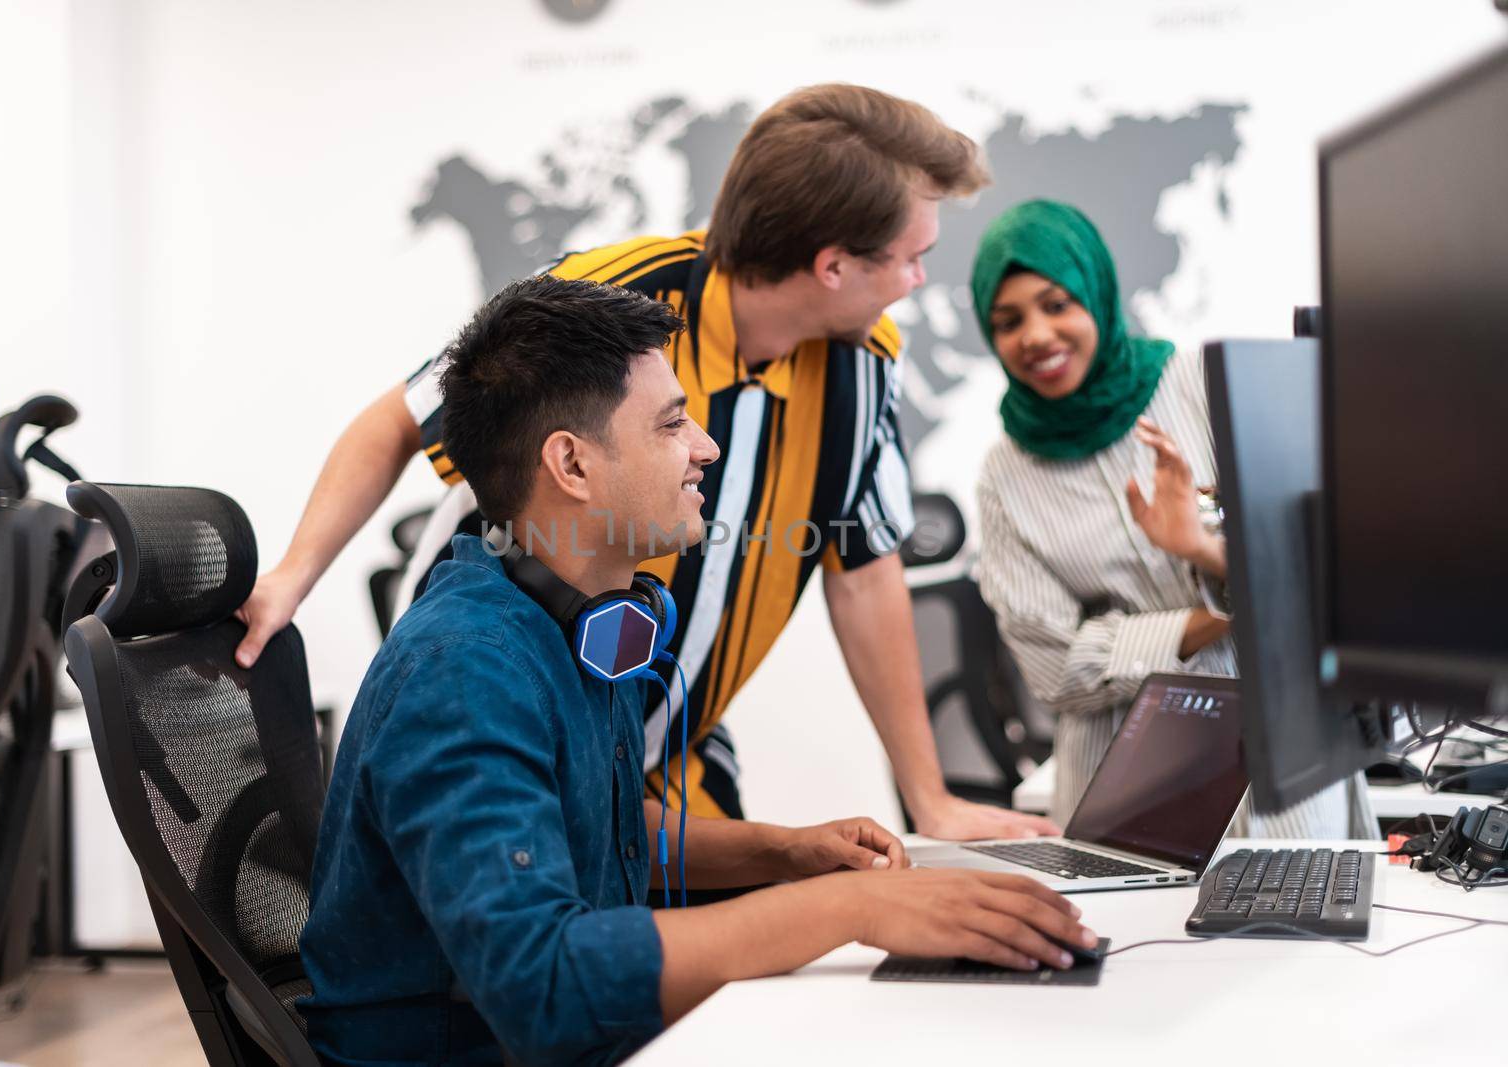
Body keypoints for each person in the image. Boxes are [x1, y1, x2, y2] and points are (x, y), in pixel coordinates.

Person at [297, 276, 1098, 1067]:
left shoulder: (570, 615)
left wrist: (780, 852)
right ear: (572, 464)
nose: (706, 447)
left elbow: (590, 819)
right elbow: (542, 986)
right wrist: (854, 906)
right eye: (673, 423)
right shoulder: (466, 672)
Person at [237, 83, 1060, 841]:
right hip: (518, 739)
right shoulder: (609, 301)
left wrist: (932, 800)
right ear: (833, 264)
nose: (919, 280)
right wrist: (291, 577)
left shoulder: (865, 359)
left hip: (670, 756)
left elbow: (865, 568)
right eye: (912, 257)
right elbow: (400, 419)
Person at [968, 199, 1374, 834]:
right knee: (1125, 933)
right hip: (1125, 784)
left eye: (1057, 304)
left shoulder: (1203, 386)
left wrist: (1206, 554)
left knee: (1301, 924)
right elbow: (1056, 672)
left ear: (1096, 295)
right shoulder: (1005, 474)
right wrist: (1217, 610)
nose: (1036, 336)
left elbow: (1315, 565)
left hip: (1276, 758)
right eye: (1008, 320)